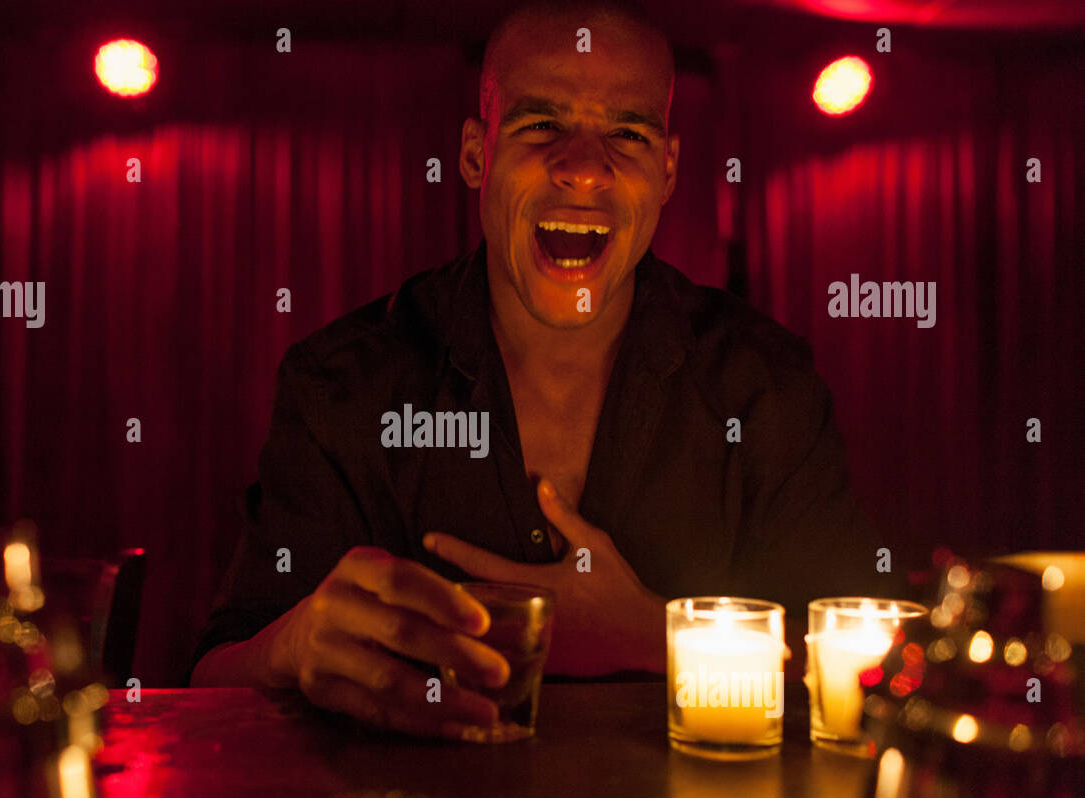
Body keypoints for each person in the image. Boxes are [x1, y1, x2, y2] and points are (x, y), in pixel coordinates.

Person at [190, 0, 898, 738]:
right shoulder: (342, 382)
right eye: (541, 125)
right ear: (475, 155)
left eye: (627, 133)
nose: (584, 169)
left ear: (666, 171)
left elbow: (874, 681)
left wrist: (651, 635)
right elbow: (209, 679)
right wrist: (295, 646)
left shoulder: (764, 384)